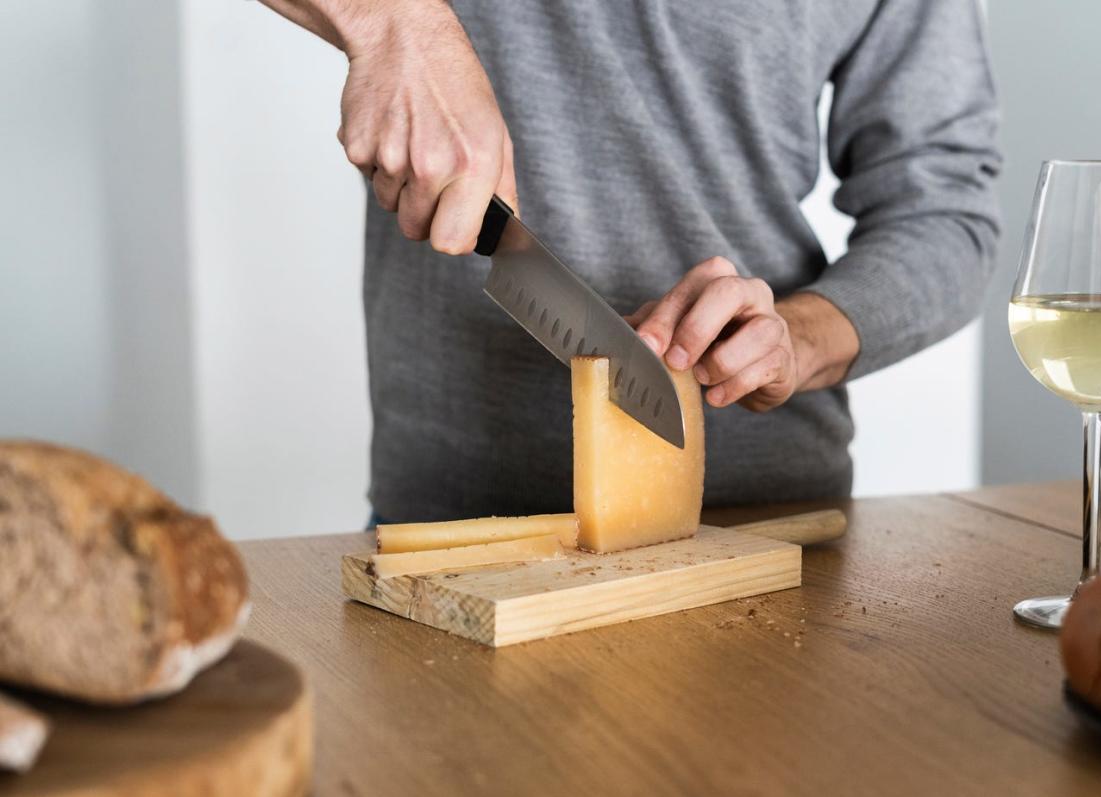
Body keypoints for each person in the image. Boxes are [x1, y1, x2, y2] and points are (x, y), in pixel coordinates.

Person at [258, 0, 1001, 522]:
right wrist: (393, 22)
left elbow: (945, 212)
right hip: (446, 529)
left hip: (760, 533)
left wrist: (797, 340)